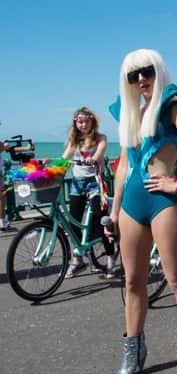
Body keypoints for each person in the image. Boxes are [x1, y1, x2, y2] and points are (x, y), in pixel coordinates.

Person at [106, 49, 177, 374]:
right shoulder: (129, 111)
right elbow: (123, 164)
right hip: (132, 205)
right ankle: (132, 354)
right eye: (133, 75)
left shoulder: (171, 102)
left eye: (146, 71)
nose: (140, 79)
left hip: (164, 203)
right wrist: (114, 209)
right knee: (132, 282)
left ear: (158, 69)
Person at [62, 107, 116, 278]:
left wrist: (93, 158)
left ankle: (110, 258)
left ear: (92, 122)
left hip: (96, 184)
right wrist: (51, 165)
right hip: (77, 184)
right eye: (80, 121)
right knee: (74, 223)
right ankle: (78, 259)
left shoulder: (101, 138)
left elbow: (100, 152)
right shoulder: (74, 140)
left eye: (86, 120)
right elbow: (65, 158)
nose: (83, 124)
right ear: (75, 122)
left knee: (100, 223)